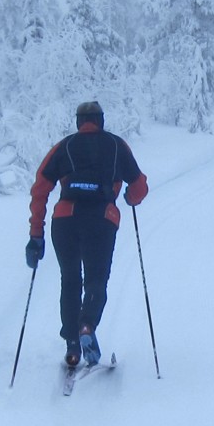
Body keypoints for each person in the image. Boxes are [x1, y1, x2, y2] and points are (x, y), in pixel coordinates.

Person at [26, 101, 147, 367]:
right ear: (101, 120)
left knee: (69, 279)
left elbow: (40, 189)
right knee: (95, 280)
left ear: (78, 122)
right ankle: (86, 326)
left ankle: (71, 343)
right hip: (101, 220)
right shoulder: (116, 145)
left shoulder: (64, 147)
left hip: (64, 220)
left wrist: (36, 234)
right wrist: (130, 197)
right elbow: (139, 186)